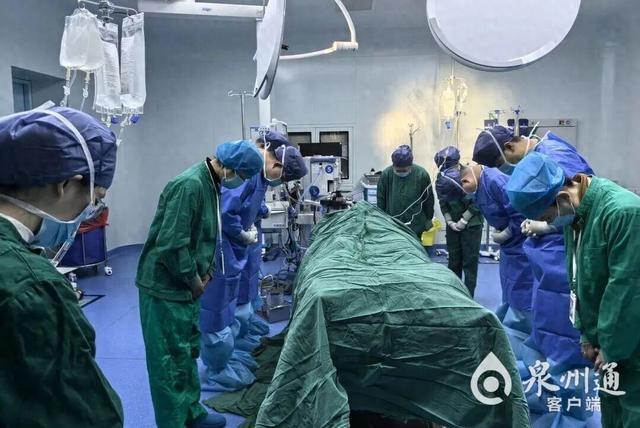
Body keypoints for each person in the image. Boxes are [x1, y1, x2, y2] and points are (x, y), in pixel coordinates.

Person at [0, 106, 123, 427]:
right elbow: (87, 415)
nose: (90, 211)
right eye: (94, 199)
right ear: (65, 184)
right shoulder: (33, 286)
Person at [506, 151, 640, 428]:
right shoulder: (576, 215)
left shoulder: (623, 213)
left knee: (633, 409)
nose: (549, 223)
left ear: (562, 197)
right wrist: (585, 333)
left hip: (631, 339)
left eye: (547, 216)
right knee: (612, 404)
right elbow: (578, 277)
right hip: (611, 339)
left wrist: (611, 348)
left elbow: (626, 290)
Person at [136, 140, 263, 428]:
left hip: (186, 286)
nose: (242, 182)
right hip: (165, 288)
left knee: (188, 352)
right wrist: (194, 281)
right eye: (243, 176)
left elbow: (204, 236)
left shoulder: (211, 184)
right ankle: (173, 422)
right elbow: (171, 245)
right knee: (168, 361)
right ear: (231, 168)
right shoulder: (189, 186)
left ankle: (192, 412)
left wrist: (205, 273)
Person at [473, 126, 594, 426]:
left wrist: (549, 225)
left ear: (510, 147)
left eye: (501, 162)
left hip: (563, 261)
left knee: (566, 343)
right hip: (545, 263)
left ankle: (573, 416)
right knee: (541, 333)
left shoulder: (556, 156)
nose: (502, 169)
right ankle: (542, 393)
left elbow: (580, 204)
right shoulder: (538, 160)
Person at [459, 164, 534, 362]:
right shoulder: (481, 186)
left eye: (462, 187)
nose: (464, 194)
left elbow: (519, 213)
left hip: (520, 244)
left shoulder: (494, 180)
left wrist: (509, 232)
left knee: (521, 293)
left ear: (466, 180)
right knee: (509, 289)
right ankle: (505, 331)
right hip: (511, 247)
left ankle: (523, 348)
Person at [434, 146, 483, 296]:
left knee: (470, 262)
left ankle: (468, 297)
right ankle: (455, 296)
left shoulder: (472, 175)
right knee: (454, 260)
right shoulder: (442, 178)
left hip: (472, 224)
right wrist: (449, 221)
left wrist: (464, 220)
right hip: (453, 225)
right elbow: (442, 200)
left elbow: (478, 201)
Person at [377, 145, 434, 240]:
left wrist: (429, 218)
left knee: (414, 246)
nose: (401, 172)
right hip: (393, 222)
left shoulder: (421, 174)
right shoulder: (386, 174)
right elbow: (381, 199)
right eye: (398, 170)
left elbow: (428, 199)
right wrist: (382, 220)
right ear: (393, 166)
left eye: (404, 170)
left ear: (411, 165)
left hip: (416, 223)